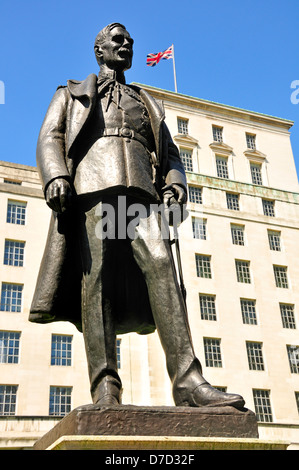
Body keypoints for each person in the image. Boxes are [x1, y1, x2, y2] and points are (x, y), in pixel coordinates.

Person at [30, 23, 245, 409]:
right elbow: (50, 137)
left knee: (163, 267)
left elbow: (171, 154)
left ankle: (188, 381)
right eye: (117, 39)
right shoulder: (71, 93)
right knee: (94, 280)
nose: (126, 43)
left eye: (129, 40)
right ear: (99, 50)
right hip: (93, 189)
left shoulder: (147, 101)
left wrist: (176, 182)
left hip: (142, 196)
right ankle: (105, 386)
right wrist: (57, 176)